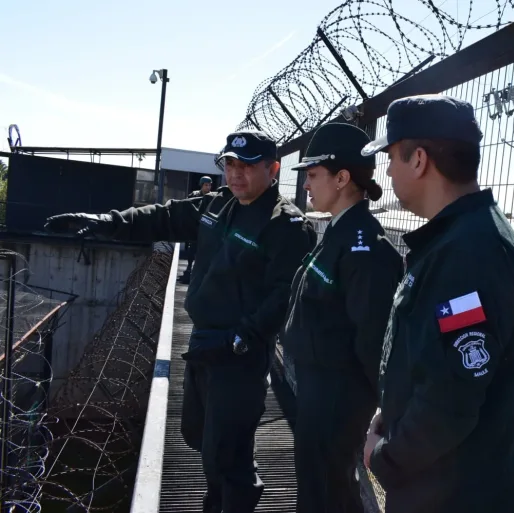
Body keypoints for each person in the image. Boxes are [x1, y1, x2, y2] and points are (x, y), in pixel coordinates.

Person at [44, 130, 317, 513]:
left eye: (248, 166)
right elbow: (165, 217)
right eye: (231, 165)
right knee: (200, 437)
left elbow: (284, 296)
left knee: (228, 453)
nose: (236, 174)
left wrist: (241, 338)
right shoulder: (219, 205)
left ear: (272, 169)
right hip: (205, 343)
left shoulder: (284, 226)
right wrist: (106, 221)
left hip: (238, 354)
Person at [360, 95, 514, 513]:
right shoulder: (461, 241)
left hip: (449, 496)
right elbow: (435, 363)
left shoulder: (469, 254)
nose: (387, 170)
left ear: (419, 160)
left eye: (391, 158)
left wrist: (383, 458)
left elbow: (450, 402)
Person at [281, 122, 404, 513]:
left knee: (328, 495)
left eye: (313, 175)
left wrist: (377, 410)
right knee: (317, 490)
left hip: (337, 401)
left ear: (342, 177)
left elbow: (372, 343)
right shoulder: (338, 233)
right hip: (318, 391)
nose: (306, 185)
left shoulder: (365, 249)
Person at [180, 175, 213, 284]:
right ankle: (189, 269)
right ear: (202, 185)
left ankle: (198, 272)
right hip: (194, 226)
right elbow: (187, 208)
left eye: (209, 185)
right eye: (206, 185)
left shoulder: (212, 197)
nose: (208, 187)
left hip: (205, 227)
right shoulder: (194, 195)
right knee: (191, 250)